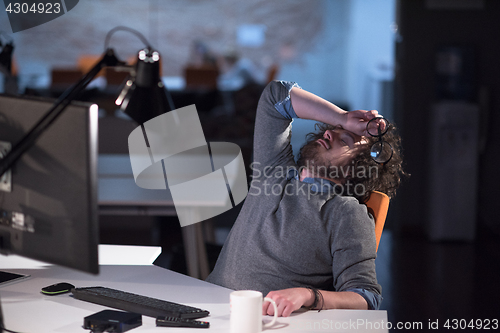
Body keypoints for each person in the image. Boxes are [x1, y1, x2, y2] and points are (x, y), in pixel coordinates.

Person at [206, 80, 405, 317]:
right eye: (332, 128)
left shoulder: (345, 212)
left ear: (355, 169)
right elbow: (275, 96)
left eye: (344, 140)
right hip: (207, 307)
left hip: (263, 322)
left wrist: (308, 295)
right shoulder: (274, 170)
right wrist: (342, 118)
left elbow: (366, 296)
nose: (330, 132)